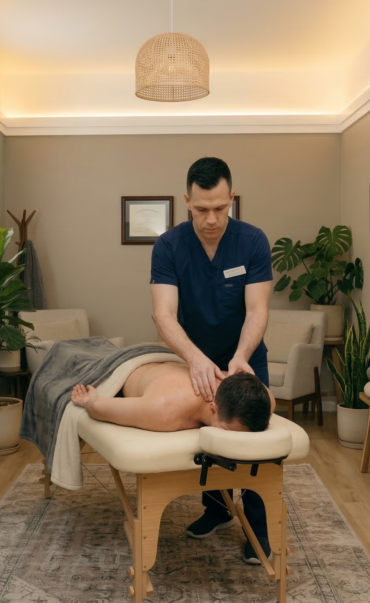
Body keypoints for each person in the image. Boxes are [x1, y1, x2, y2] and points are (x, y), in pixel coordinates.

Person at [150, 156, 274, 564]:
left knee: (256, 441)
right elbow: (163, 315)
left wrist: (241, 355)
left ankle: (258, 531)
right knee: (210, 437)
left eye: (221, 208)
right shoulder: (168, 246)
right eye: (202, 209)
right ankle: (217, 511)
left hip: (245, 356)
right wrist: (196, 359)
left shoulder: (253, 240)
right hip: (197, 356)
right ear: (186, 201)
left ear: (231, 198)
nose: (211, 219)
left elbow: (257, 310)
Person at [70, 365, 273, 432]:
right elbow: (97, 407)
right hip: (132, 366)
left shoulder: (264, 400)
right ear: (213, 408)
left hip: (172, 365)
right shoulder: (166, 409)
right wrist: (89, 398)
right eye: (228, 432)